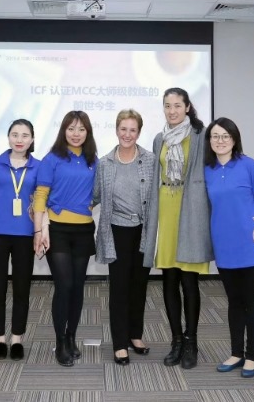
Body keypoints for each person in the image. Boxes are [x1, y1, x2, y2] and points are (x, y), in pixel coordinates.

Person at [143, 87, 213, 370]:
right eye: (167, 106)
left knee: (189, 281)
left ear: (187, 107)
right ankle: (176, 341)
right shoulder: (159, 138)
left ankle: (191, 340)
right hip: (165, 212)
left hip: (190, 211)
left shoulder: (201, 135)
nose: (171, 111)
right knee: (169, 279)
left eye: (176, 105)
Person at [204, 117, 254, 378]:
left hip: (250, 244)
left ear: (234, 139)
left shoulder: (249, 165)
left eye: (225, 136)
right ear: (209, 141)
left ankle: (251, 356)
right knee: (233, 301)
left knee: (252, 300)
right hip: (224, 244)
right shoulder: (207, 170)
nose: (220, 140)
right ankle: (236, 353)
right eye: (215, 136)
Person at [33, 110, 98, 367]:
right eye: (71, 128)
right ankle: (60, 341)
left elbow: (99, 191)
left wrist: (91, 203)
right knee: (64, 285)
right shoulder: (52, 159)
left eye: (81, 129)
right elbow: (40, 195)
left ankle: (71, 337)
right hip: (57, 229)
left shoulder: (94, 160)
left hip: (84, 230)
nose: (76, 133)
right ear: (63, 131)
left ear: (88, 132)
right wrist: (38, 231)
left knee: (78, 287)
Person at [93, 109, 155, 365]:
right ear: (116, 130)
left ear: (138, 132)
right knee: (119, 288)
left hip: (144, 230)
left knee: (139, 285)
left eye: (133, 130)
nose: (127, 134)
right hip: (116, 230)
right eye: (123, 129)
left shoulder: (151, 160)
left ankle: (135, 335)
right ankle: (120, 343)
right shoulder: (105, 163)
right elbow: (96, 195)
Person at [0, 119, 39, 361]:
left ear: (32, 139)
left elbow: (41, 202)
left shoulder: (38, 166)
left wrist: (41, 231)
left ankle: (17, 338)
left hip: (25, 234)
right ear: (8, 137)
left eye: (25, 135)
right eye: (15, 134)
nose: (19, 139)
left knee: (21, 288)